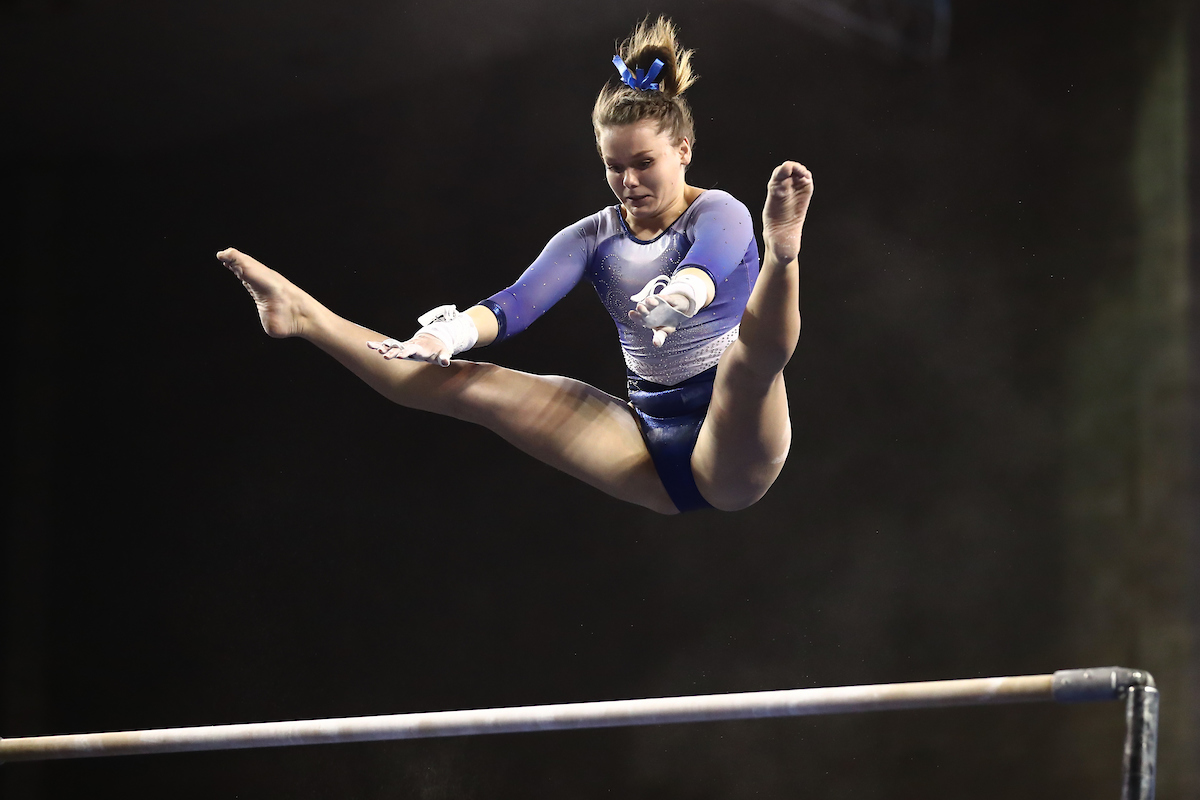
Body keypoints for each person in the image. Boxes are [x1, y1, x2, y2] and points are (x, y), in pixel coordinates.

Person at [217, 17, 813, 515]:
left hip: (732, 452)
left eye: (644, 162)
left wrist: (684, 292)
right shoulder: (591, 237)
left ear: (683, 150)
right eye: (613, 165)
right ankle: (304, 315)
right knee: (468, 385)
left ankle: (784, 252)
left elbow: (711, 258)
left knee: (748, 362)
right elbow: (514, 305)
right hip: (646, 439)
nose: (627, 181)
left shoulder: (719, 210)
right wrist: (445, 333)